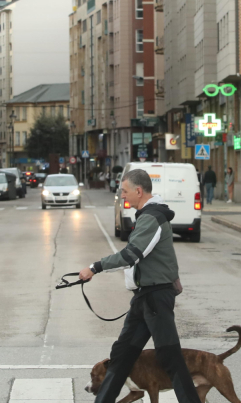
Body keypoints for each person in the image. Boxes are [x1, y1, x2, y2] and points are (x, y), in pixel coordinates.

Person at [79, 169, 198, 403]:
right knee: (121, 355)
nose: (122, 196)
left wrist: (95, 267)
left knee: (170, 357)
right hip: (144, 298)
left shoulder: (152, 217)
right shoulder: (146, 216)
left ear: (139, 191)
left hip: (156, 298)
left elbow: (132, 255)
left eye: (125, 191)